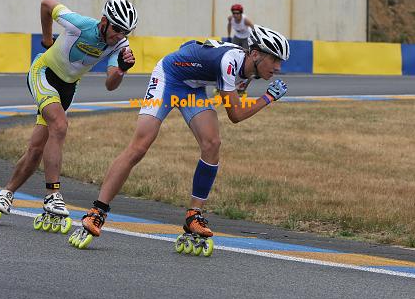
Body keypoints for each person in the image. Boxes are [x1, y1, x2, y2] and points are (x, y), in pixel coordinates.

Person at [74, 25, 290, 246]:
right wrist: (268, 98)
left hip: (191, 87)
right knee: (140, 146)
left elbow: (193, 48)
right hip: (168, 76)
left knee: (212, 143)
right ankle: (97, 211)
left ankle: (194, 215)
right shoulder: (230, 62)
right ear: (255, 54)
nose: (278, 67)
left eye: (280, 61)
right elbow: (236, 114)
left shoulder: (249, 69)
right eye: (274, 59)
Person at [0, 0, 138, 226]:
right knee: (60, 125)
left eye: (125, 31)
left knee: (36, 149)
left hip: (67, 88)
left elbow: (110, 84)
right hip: (43, 73)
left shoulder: (120, 45)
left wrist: (122, 70)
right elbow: (46, 4)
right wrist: (47, 39)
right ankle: (52, 194)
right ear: (104, 21)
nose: (119, 35)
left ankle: (6, 193)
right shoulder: (79, 24)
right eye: (117, 28)